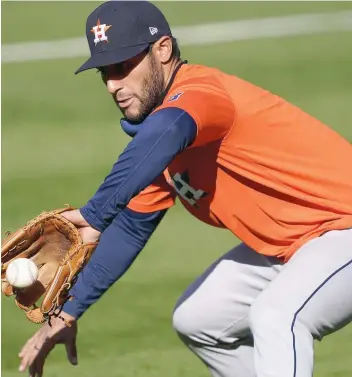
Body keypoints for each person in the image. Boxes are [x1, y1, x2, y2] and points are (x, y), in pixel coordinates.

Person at [18, 1, 352, 377]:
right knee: (200, 319)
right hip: (297, 244)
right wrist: (66, 313)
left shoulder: (200, 94)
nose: (113, 84)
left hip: (344, 228)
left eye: (124, 66)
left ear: (162, 50)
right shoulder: (157, 141)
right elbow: (130, 228)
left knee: (278, 314)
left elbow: (169, 130)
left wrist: (94, 214)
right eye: (105, 73)